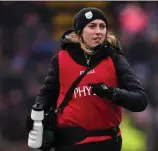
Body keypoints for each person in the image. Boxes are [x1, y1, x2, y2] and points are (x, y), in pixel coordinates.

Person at [26, 7, 148, 151]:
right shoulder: (61, 59)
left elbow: (140, 101)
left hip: (105, 144)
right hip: (69, 144)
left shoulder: (114, 59)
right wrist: (37, 122)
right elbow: (45, 97)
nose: (98, 31)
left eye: (102, 26)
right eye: (92, 26)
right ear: (79, 32)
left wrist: (111, 93)